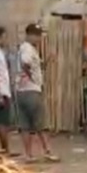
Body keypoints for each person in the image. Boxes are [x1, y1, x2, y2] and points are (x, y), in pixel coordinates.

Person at [17, 23, 58, 162]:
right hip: (31, 90)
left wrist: (46, 62)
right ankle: (47, 151)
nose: (39, 38)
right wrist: (33, 79)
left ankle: (28, 154)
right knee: (40, 123)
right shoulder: (27, 49)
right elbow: (25, 64)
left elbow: (36, 67)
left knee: (26, 125)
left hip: (22, 90)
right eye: (37, 35)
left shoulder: (27, 49)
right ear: (30, 35)